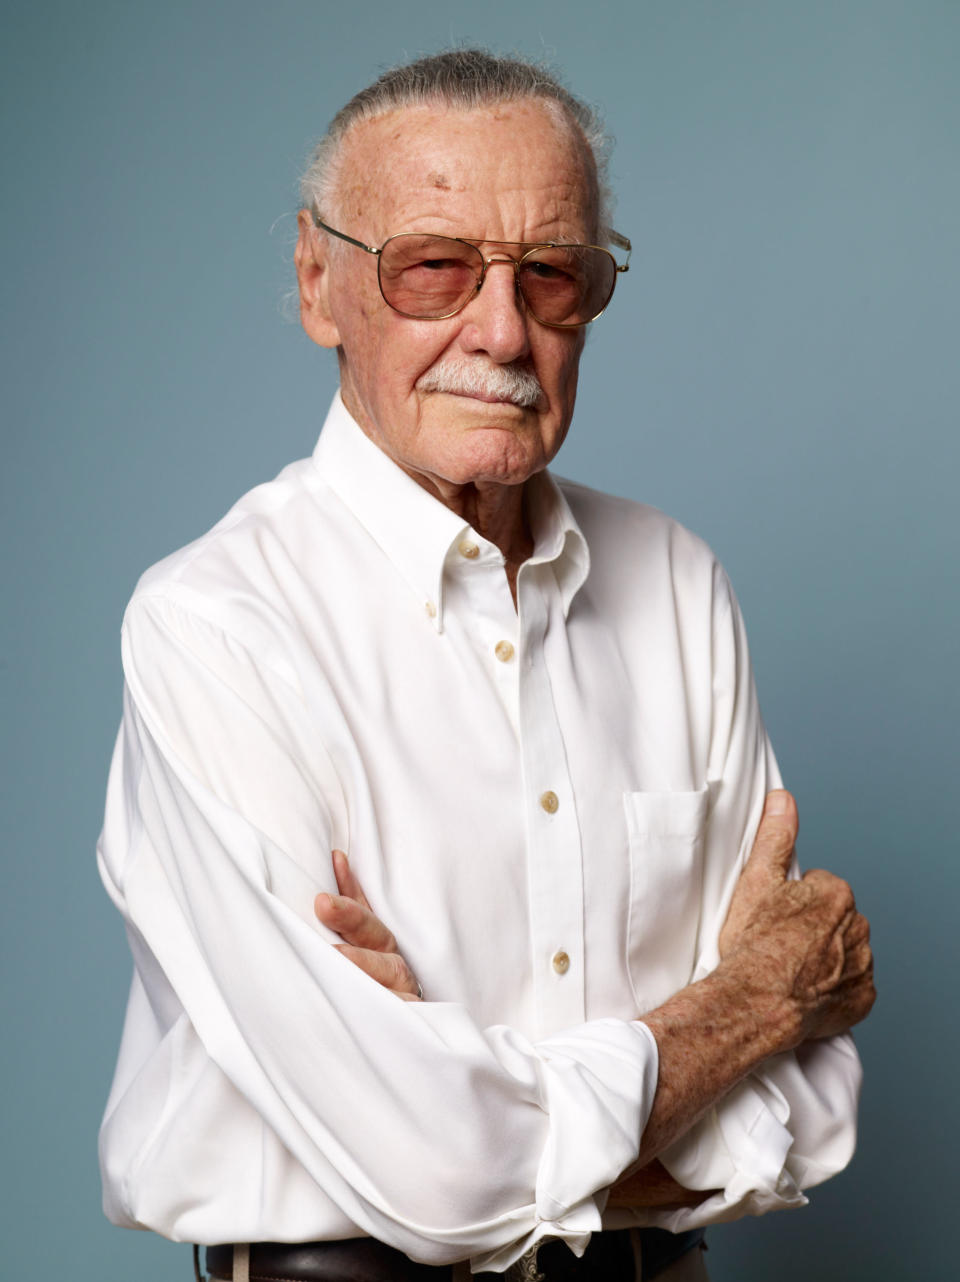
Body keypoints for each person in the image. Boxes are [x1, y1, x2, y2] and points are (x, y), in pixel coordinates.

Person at [97, 50, 874, 1282]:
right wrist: (762, 999)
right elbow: (430, 1170)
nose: (502, 330)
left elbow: (818, 1116)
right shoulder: (217, 626)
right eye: (434, 268)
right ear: (319, 281)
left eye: (552, 274)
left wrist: (466, 1096)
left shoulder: (679, 588)